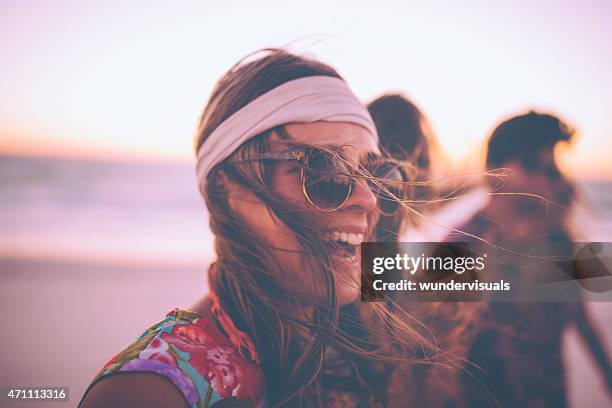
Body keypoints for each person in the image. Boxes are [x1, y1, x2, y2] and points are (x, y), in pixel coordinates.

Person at [79, 49, 445, 408]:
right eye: (324, 170)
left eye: (378, 175)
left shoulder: (360, 350)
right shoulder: (153, 392)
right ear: (225, 189)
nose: (369, 200)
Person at [453, 111, 612, 407]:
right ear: (506, 171)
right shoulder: (460, 248)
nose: (565, 184)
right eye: (551, 171)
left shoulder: (556, 239)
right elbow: (433, 362)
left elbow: (578, 313)